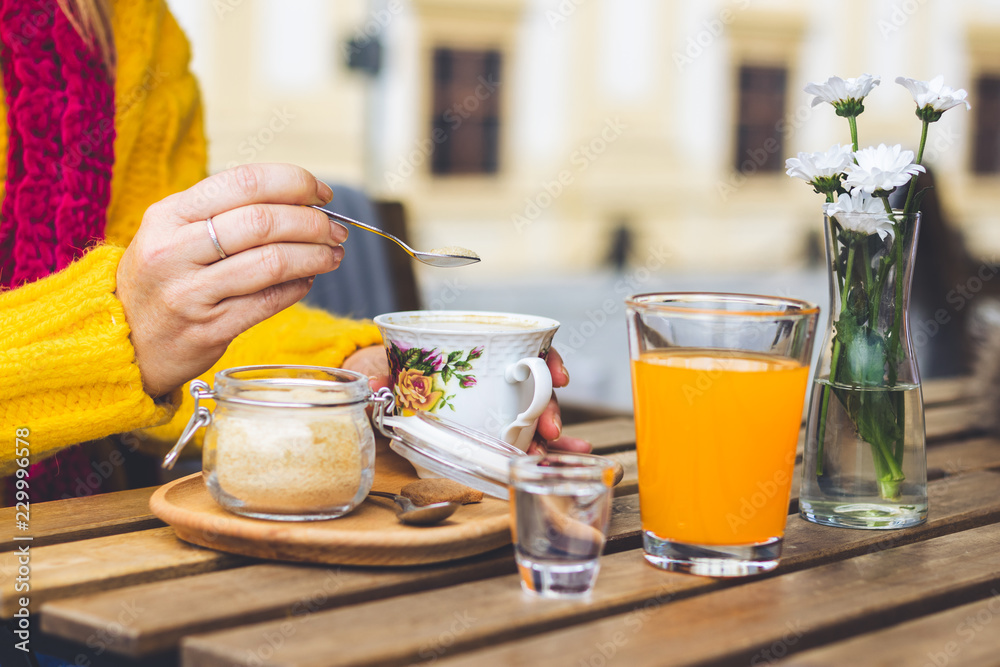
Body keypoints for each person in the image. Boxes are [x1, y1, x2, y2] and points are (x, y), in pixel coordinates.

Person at [0, 0, 587, 503]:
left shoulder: (133, 24)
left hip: (72, 537)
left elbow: (182, 329)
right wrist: (117, 334)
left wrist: (348, 378)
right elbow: (144, 326)